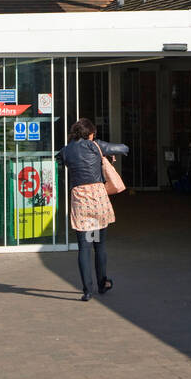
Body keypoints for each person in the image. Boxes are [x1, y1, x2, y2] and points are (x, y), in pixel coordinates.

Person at [57, 118, 128, 301]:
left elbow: (60, 163)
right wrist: (107, 155)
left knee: (84, 247)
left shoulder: (66, 150)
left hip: (80, 201)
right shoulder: (95, 145)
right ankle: (102, 283)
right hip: (97, 199)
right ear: (90, 133)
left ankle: (87, 290)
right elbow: (123, 148)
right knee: (99, 244)